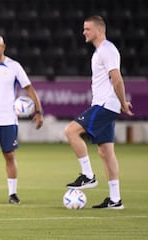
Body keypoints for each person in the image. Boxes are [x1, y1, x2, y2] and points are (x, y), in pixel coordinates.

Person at [65, 16, 134, 209]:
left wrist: (122, 103)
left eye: (87, 29)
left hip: (104, 105)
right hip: (108, 104)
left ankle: (88, 176)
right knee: (106, 152)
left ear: (98, 30)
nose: (84, 32)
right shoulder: (102, 51)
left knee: (71, 131)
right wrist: (120, 102)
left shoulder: (107, 50)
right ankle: (115, 199)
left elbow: (117, 79)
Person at [0, 34, 44, 204]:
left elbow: (29, 88)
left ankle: (12, 194)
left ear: (3, 47)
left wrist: (39, 110)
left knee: (9, 155)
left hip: (8, 120)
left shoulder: (14, 67)